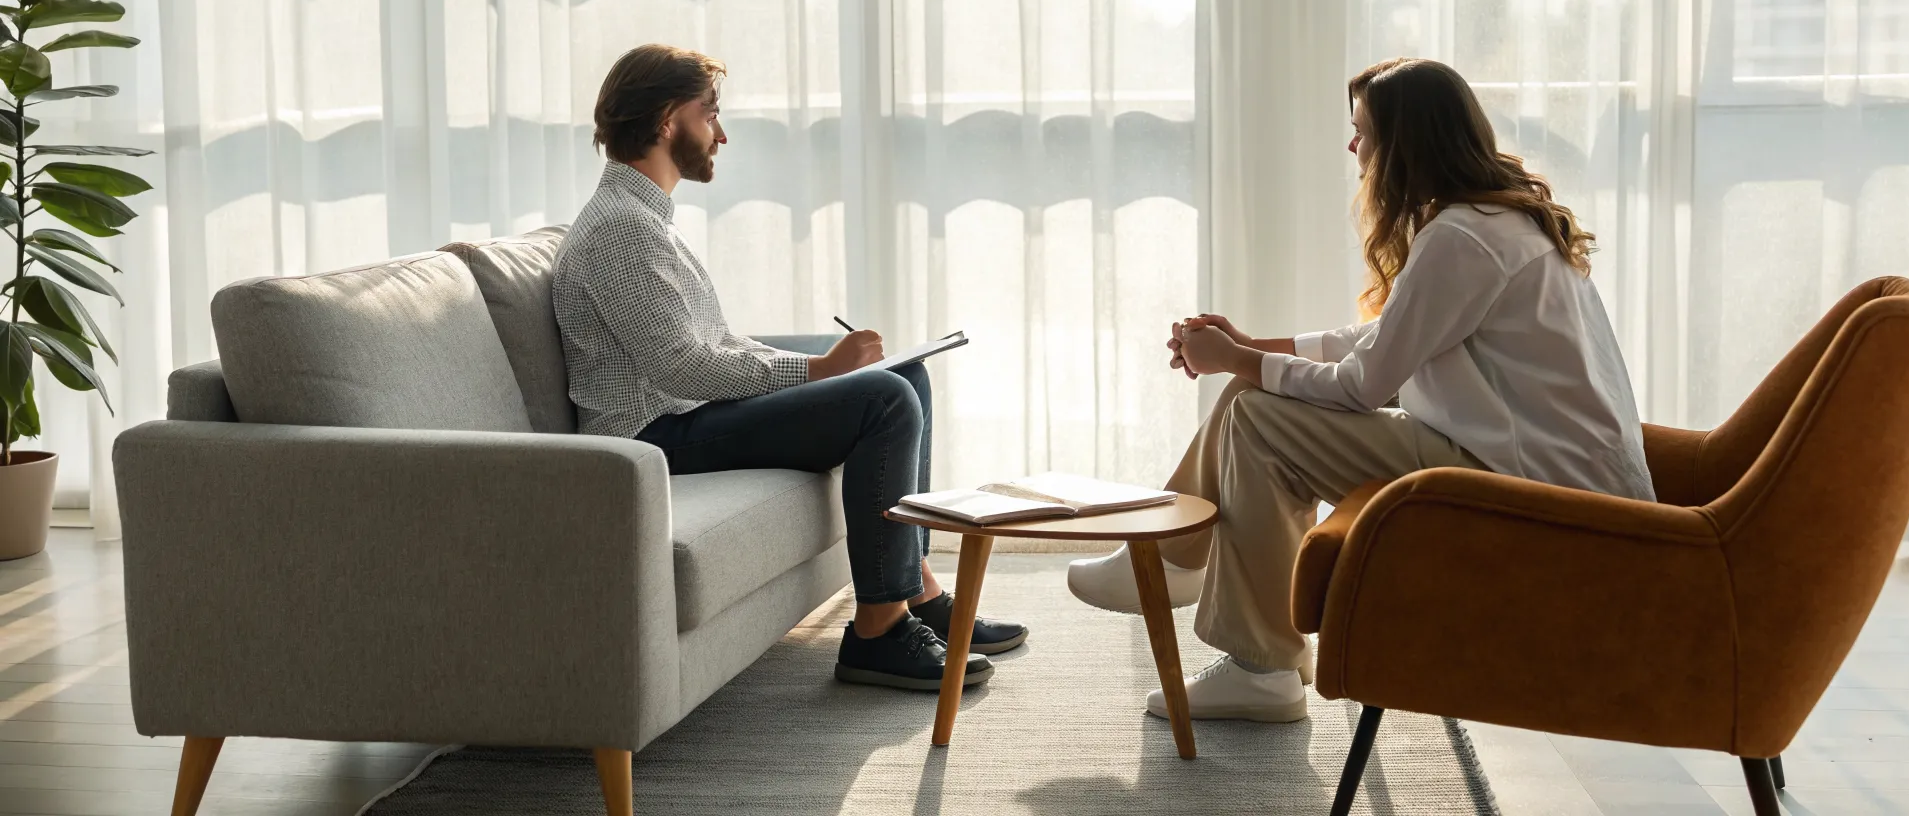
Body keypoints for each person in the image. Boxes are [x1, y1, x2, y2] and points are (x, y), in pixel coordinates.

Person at [1068, 57, 1655, 722]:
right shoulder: (1491, 221)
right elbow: (1380, 341)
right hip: (1532, 467)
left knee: (1259, 417)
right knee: (1249, 395)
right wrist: (1250, 350)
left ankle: (1250, 654)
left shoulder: (1464, 238)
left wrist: (1237, 357)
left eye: (1363, 131)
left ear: (1405, 143)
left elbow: (1366, 384)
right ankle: (1177, 559)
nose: (1353, 146)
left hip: (1531, 491)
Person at [554, 44, 1026, 692]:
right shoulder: (620, 231)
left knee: (902, 378)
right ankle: (878, 634)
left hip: (685, 417)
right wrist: (814, 371)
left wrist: (828, 366)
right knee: (883, 401)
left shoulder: (643, 220)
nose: (721, 133)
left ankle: (915, 591)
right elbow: (682, 370)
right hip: (653, 438)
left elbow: (718, 342)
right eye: (710, 114)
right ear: (667, 119)